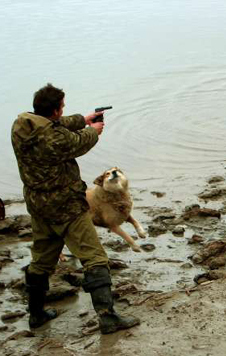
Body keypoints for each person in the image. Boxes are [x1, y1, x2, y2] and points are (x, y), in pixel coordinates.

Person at [11, 83, 139, 334]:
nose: (63, 111)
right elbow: (80, 142)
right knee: (95, 258)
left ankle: (36, 315)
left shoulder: (21, 127)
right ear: (56, 110)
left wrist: (83, 119)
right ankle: (108, 318)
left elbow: (54, 126)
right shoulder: (55, 139)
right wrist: (95, 129)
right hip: (66, 207)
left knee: (41, 262)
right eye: (63, 108)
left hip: (38, 207)